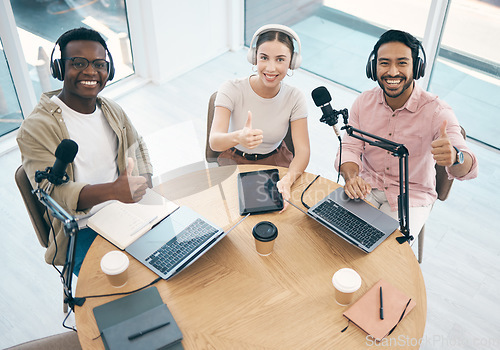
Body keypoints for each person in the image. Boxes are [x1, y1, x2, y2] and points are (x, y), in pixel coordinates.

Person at [17, 27, 153, 275]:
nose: (91, 71)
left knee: (180, 262)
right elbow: (52, 192)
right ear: (59, 69)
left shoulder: (111, 109)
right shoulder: (35, 128)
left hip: (128, 213)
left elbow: (138, 147)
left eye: (99, 64)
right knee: (132, 287)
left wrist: (145, 187)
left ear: (108, 71)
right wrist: (114, 191)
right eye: (78, 63)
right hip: (82, 230)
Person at [335, 29, 478, 238]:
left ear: (417, 68)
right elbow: (349, 148)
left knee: (385, 256)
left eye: (402, 63)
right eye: (384, 63)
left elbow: (469, 168)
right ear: (373, 68)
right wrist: (352, 177)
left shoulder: (438, 111)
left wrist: (456, 157)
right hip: (367, 185)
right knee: (335, 235)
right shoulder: (363, 102)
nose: (392, 72)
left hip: (412, 195)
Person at [209, 24, 310, 210]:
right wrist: (237, 137)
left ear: (292, 62)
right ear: (254, 57)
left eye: (280, 59)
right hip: (235, 161)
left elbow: (303, 151)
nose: (271, 68)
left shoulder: (295, 97)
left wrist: (287, 181)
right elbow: (214, 142)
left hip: (277, 162)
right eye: (264, 58)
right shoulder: (231, 88)